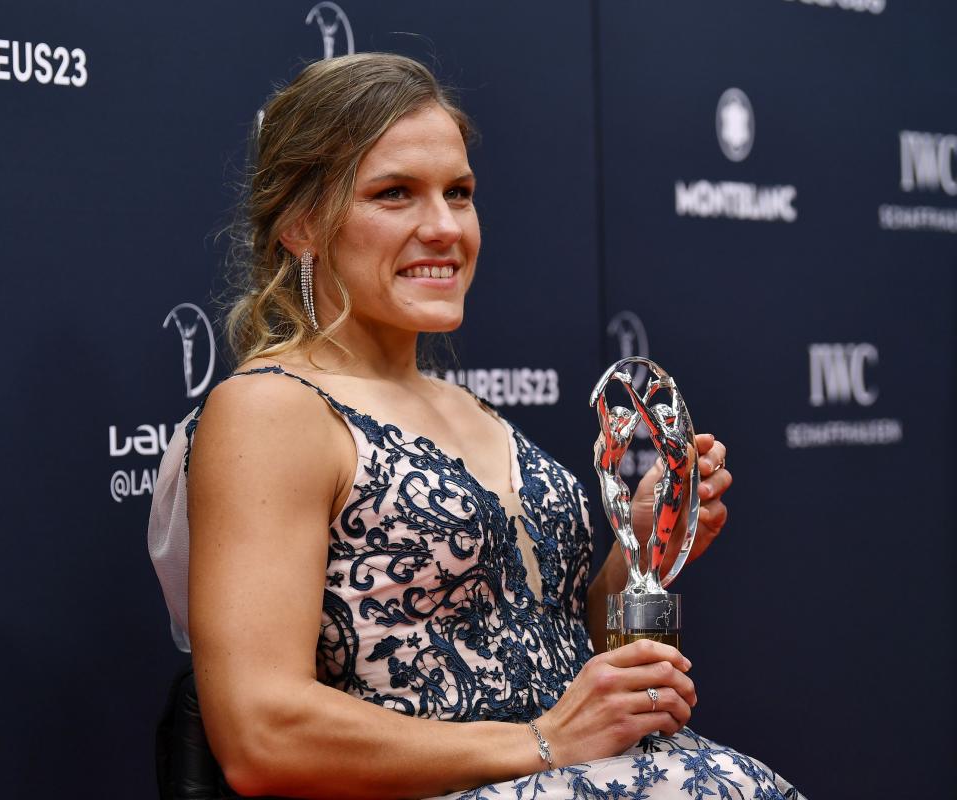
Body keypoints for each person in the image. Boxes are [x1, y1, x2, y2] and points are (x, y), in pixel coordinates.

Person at [150, 53, 803, 799]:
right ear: (301, 223)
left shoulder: (469, 409)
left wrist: (639, 550)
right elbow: (260, 733)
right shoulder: (271, 408)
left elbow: (546, 653)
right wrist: (543, 741)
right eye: (395, 194)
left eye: (459, 194)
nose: (443, 227)